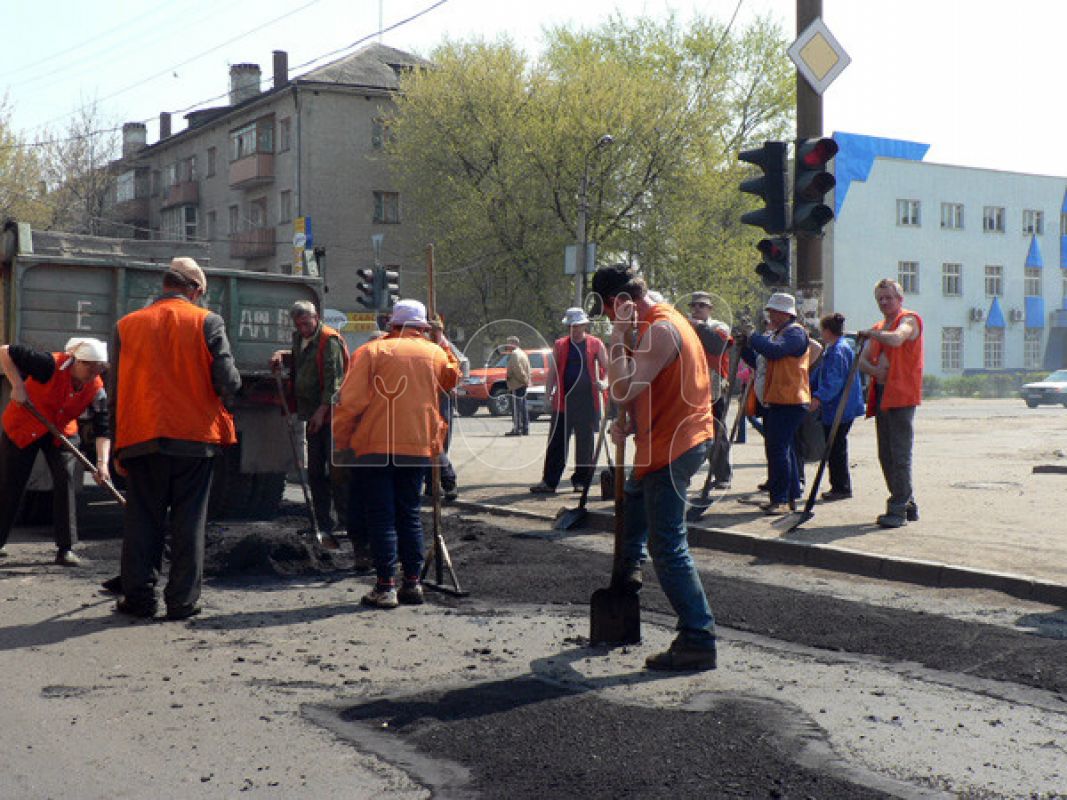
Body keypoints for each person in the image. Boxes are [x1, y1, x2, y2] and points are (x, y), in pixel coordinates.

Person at [591, 264, 717, 672]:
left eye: (608, 312)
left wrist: (614, 339)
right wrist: (625, 415)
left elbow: (623, 383)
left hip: (674, 446)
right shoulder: (648, 325)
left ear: (618, 303)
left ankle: (698, 638)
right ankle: (626, 579)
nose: (610, 320)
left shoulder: (661, 329)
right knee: (631, 510)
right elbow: (635, 388)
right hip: (658, 441)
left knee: (667, 544)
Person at [110, 257, 241, 620]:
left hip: (140, 436)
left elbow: (115, 391)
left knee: (141, 522)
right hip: (194, 440)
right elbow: (228, 382)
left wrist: (117, 444)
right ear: (194, 290)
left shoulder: (126, 326)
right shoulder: (207, 321)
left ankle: (138, 599)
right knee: (189, 522)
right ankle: (182, 602)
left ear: (165, 285)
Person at [333, 299, 461, 609]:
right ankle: (413, 583)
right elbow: (452, 378)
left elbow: (350, 402)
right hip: (417, 447)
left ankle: (385, 586)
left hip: (376, 446)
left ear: (392, 324)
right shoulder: (434, 354)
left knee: (381, 517)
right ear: (422, 328)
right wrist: (441, 343)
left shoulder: (372, 352)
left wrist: (342, 439)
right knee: (409, 515)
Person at [0, 338, 111, 565]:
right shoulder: (48, 364)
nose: (93, 372)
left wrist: (102, 463)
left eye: (98, 367)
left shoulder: (97, 390)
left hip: (60, 430)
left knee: (66, 479)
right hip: (24, 425)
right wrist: (18, 386)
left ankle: (65, 549)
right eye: (88, 366)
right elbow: (5, 351)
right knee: (10, 484)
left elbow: (103, 429)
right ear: (74, 360)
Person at [271, 301, 349, 537]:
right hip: (313, 414)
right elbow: (299, 357)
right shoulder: (299, 338)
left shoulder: (329, 341)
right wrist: (281, 356)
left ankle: (345, 521)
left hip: (333, 416)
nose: (303, 328)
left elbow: (336, 382)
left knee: (337, 472)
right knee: (315, 471)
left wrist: (322, 411)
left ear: (316, 318)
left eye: (306, 323)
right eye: (298, 324)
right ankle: (322, 522)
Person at [859, 279, 923, 528]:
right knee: (886, 454)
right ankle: (908, 504)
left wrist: (872, 335)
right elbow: (862, 361)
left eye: (888, 298)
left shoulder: (909, 320)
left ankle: (897, 508)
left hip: (902, 394)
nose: (884, 302)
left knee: (899, 454)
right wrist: (876, 372)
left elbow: (897, 339)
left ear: (900, 299)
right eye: (880, 299)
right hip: (884, 393)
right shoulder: (879, 326)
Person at [741, 292, 811, 515]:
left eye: (772, 311)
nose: (769, 314)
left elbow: (775, 351)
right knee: (782, 449)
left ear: (783, 313)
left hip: (790, 399)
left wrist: (752, 336)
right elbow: (760, 360)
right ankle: (789, 495)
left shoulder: (795, 333)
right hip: (778, 399)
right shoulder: (780, 333)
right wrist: (745, 346)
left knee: (778, 450)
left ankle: (780, 499)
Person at [530, 307, 609, 494]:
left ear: (584, 325)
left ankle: (580, 481)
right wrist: (548, 395)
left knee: (585, 443)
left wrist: (604, 383)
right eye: (571, 326)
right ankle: (549, 482)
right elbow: (552, 373)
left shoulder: (596, 344)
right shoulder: (560, 345)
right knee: (556, 442)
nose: (574, 329)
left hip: (587, 402)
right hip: (563, 402)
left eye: (577, 325)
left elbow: (608, 369)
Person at [809, 313, 865, 501]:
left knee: (836, 447)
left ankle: (841, 487)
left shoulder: (837, 351)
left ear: (827, 331)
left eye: (822, 330)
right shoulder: (834, 348)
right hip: (838, 406)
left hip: (840, 407)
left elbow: (834, 381)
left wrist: (818, 397)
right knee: (835, 446)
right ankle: (839, 485)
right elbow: (821, 374)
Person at [688, 291, 733, 489]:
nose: (697, 309)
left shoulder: (718, 327)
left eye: (702, 306)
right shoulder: (686, 327)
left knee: (717, 429)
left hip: (713, 381)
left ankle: (722, 474)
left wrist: (699, 327)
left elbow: (717, 346)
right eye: (694, 305)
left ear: (710, 309)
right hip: (690, 382)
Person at [504, 336, 531, 437]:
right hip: (522, 384)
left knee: (516, 408)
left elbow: (518, 370)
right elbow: (528, 368)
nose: (507, 345)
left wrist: (523, 380)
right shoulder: (523, 353)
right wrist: (526, 381)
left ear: (514, 343)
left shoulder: (515, 354)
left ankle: (517, 429)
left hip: (517, 384)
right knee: (523, 407)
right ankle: (525, 428)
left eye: (508, 343)